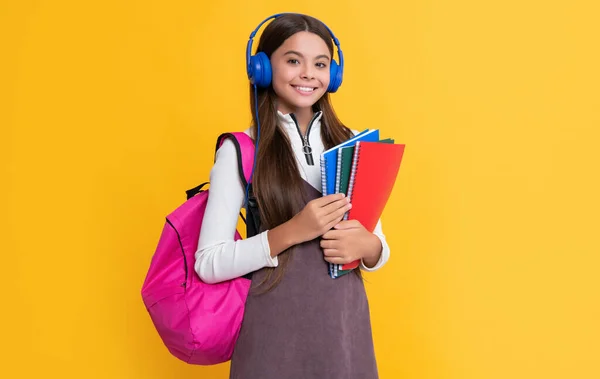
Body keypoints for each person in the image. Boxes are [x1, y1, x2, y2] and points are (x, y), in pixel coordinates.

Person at [194, 12, 391, 379]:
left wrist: (368, 247)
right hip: (273, 334)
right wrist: (293, 230)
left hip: (344, 332)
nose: (307, 74)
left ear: (333, 75)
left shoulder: (352, 142)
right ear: (263, 68)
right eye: (293, 61)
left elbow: (378, 244)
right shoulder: (242, 150)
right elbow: (208, 262)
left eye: (320, 64)